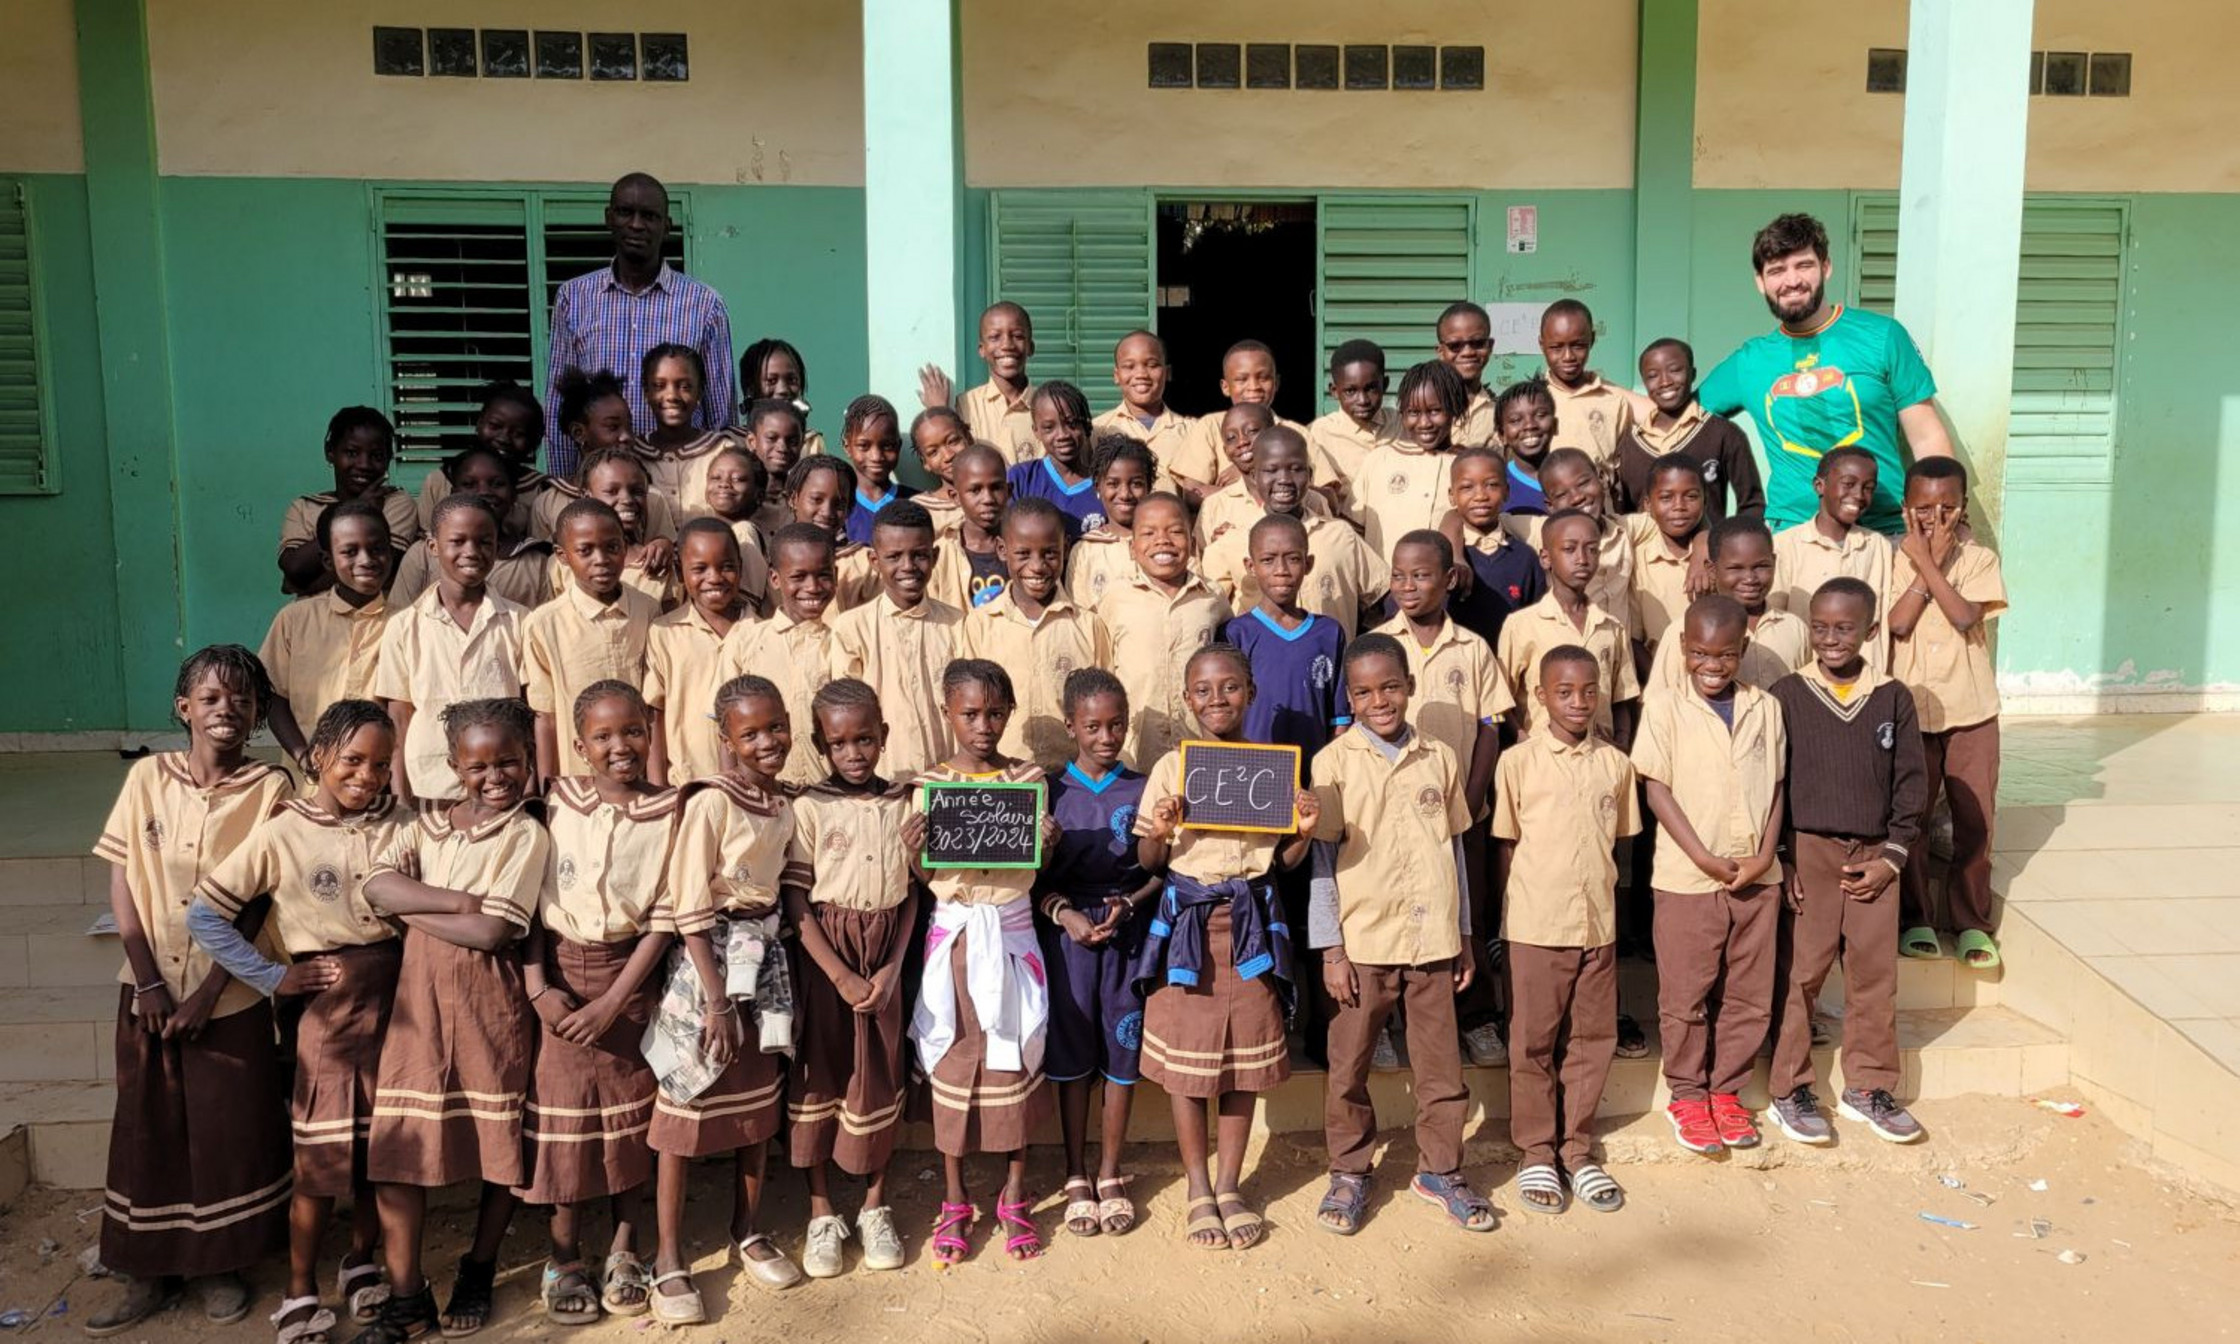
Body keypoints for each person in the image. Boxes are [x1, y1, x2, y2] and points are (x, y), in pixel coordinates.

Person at [85, 647, 294, 1338]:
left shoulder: (272, 788)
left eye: (241, 699)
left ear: (258, 712)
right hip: (147, 990)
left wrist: (211, 990)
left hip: (228, 996)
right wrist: (148, 979)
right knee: (150, 1128)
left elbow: (263, 901)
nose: (225, 709)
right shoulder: (148, 777)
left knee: (226, 1130)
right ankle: (147, 1270)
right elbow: (122, 879)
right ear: (184, 708)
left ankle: (219, 1266)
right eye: (210, 698)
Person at [186, 700, 406, 1344]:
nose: (367, 777)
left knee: (379, 1153)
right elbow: (205, 916)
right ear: (317, 759)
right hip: (327, 1017)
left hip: (398, 1006)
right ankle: (300, 1289)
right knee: (321, 1161)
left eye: (381, 765)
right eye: (353, 761)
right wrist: (272, 975)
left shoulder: (401, 823)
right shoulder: (283, 832)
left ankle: (362, 1261)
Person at [357, 697, 547, 1343]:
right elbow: (376, 886)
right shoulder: (425, 826)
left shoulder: (526, 835)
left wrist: (414, 911)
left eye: (510, 764)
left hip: (488, 1008)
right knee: (396, 1154)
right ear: (453, 767)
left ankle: (479, 1267)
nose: (495, 777)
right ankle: (408, 1295)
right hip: (418, 1012)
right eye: (479, 765)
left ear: (530, 763)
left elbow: (493, 930)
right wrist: (452, 900)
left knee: (498, 1150)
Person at [1133, 645, 1315, 1251]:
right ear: (1187, 700)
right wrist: (1160, 831)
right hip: (1191, 923)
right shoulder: (1171, 769)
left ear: (1251, 692)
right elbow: (1149, 861)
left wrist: (1304, 833)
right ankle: (1197, 1188)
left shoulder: (1274, 767)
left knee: (1241, 1062)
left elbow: (1282, 862)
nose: (1218, 700)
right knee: (1189, 1066)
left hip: (1252, 925)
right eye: (1204, 691)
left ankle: (1231, 1184)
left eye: (1230, 688)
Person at [1308, 634, 1489, 1237]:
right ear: (1350, 699)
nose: (1379, 700)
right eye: (1364, 691)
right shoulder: (1331, 762)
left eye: (1390, 686)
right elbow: (1322, 861)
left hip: (1433, 938)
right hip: (1363, 942)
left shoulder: (1439, 756)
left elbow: (1455, 850)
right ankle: (1351, 1170)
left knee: (1441, 1069)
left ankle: (1441, 1169)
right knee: (1349, 1066)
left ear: (1410, 686)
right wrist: (1331, 947)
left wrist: (1463, 934)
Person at [645, 677, 806, 1309]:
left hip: (761, 960)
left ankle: (748, 1227)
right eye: (750, 734)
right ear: (726, 741)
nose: (766, 743)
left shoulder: (783, 805)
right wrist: (714, 999)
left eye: (775, 728)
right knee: (684, 1107)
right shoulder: (711, 803)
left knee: (754, 1105)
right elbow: (687, 908)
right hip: (706, 965)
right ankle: (668, 1255)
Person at [519, 683, 674, 1326]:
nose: (621, 747)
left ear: (650, 734)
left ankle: (624, 1248)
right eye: (603, 737)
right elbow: (523, 897)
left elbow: (665, 918)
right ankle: (564, 1255)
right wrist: (536, 987)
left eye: (633, 732)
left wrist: (615, 1000)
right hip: (557, 973)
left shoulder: (670, 811)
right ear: (578, 746)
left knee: (630, 1119)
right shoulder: (553, 804)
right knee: (565, 1123)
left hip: (628, 979)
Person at [1765, 578, 1930, 1146]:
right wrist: (1783, 857)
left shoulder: (1892, 697)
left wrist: (1893, 856)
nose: (1831, 639)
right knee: (1801, 972)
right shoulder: (1788, 693)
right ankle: (1788, 1087)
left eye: (1845, 628)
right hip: (1809, 850)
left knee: (1874, 975)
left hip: (1875, 858)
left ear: (1871, 630)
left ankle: (1869, 1086)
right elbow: (1775, 783)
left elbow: (1912, 785)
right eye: (1820, 627)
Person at [906, 660, 1060, 1265]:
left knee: (1015, 1055)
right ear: (948, 713)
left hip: (1013, 939)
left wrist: (1047, 843)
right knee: (953, 1059)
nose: (983, 725)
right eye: (969, 714)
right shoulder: (930, 785)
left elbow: (1034, 867)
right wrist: (914, 854)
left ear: (1010, 712)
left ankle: (1015, 1196)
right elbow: (927, 878)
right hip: (957, 943)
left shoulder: (1027, 781)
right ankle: (954, 1198)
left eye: (994, 713)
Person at [1631, 596, 1787, 1155]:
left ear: (1743, 650)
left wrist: (1766, 856)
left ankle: (1727, 1092)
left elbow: (1775, 788)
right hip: (1687, 879)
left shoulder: (1765, 708)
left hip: (1756, 878)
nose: (1713, 665)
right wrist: (1701, 857)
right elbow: (1656, 788)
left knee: (1748, 994)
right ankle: (1688, 1094)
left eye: (1725, 654)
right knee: (1686, 994)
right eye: (1700, 653)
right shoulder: (1666, 709)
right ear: (1682, 650)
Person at [1494, 646, 1641, 1216]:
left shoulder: (1616, 765)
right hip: (1536, 924)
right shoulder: (1519, 763)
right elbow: (1506, 846)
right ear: (1541, 696)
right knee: (1532, 1042)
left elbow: (1617, 846)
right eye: (1564, 692)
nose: (1577, 702)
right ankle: (1536, 1149)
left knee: (1591, 1040)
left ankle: (1578, 1150)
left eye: (1588, 691)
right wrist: (1509, 921)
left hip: (1596, 926)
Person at [1696, 212, 1953, 535]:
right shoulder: (1750, 361)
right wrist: (1612, 391)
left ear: (1826, 267)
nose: (1791, 281)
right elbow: (1679, 417)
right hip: (1793, 533)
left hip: (1885, 529)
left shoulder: (1882, 336)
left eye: (1803, 265)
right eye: (1776, 270)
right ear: (1760, 282)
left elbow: (1927, 437)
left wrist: (1942, 522)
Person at [780, 678, 916, 1280]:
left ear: (883, 737)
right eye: (839, 743)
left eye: (865, 739)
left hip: (884, 953)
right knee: (823, 1074)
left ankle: (873, 1205)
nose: (854, 753)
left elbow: (913, 897)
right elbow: (797, 903)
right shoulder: (808, 807)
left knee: (879, 1074)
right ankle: (820, 1211)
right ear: (820, 745)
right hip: (826, 958)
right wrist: (836, 975)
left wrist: (889, 970)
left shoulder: (904, 805)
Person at [1371, 530, 1510, 1065]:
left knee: (1463, 912)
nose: (1408, 586)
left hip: (1461, 813)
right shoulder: (1380, 645)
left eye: (1422, 575)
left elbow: (1491, 728)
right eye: (1399, 576)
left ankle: (1475, 1017)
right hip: (1394, 815)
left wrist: (1469, 800)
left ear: (1449, 579)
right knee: (1396, 910)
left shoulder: (1473, 648)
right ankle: (1392, 1019)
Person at [1038, 669, 1157, 1240]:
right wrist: (1066, 912)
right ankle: (1075, 1172)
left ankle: (1110, 1173)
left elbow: (1164, 869)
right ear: (1070, 727)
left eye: (1116, 725)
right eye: (1093, 726)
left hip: (1126, 933)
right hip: (1067, 940)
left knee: (1121, 1052)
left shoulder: (1143, 787)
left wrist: (1129, 906)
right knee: (1072, 1056)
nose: (1106, 737)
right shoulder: (1049, 791)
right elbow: (1028, 883)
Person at [1888, 457, 2007, 968]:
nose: (1935, 518)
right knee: (1910, 818)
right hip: (1912, 707)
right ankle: (1915, 916)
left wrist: (1931, 562)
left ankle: (1971, 922)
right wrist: (1918, 564)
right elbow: (1896, 624)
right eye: (1923, 508)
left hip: (1971, 709)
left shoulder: (1979, 558)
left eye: (1948, 507)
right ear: (1905, 508)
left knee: (1973, 820)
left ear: (1962, 508)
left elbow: (1963, 615)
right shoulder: (1889, 558)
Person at [546, 174, 733, 479]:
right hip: (600, 482)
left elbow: (720, 413)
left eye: (649, 216)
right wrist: (566, 486)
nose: (636, 224)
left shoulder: (704, 304)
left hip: (682, 481)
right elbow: (560, 406)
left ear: (667, 226)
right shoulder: (574, 298)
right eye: (625, 212)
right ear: (609, 218)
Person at [373, 494, 529, 806]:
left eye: (484, 541)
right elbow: (400, 717)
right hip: (429, 784)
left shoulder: (520, 621)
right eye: (457, 541)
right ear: (432, 546)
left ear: (497, 546)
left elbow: (530, 712)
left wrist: (530, 789)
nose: (471, 551)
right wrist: (401, 797)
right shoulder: (404, 627)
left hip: (500, 786)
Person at [955, 498, 1113, 771]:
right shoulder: (979, 625)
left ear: (1065, 549)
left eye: (1050, 554)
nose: (1038, 566)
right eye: (1023, 554)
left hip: (1072, 777)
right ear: (1002, 550)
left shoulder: (1088, 624)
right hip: (1004, 777)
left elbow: (1104, 703)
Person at [1199, 426, 1387, 640]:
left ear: (1310, 475)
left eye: (1296, 469)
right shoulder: (1229, 543)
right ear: (1254, 475)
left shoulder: (1341, 536)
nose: (1284, 479)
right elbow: (1209, 615)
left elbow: (1383, 599)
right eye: (1271, 470)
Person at [524, 499, 660, 780]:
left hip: (640, 771)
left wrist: (658, 782)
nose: (601, 560)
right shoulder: (544, 624)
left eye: (612, 547)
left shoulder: (647, 609)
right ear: (562, 556)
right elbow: (545, 714)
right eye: (585, 551)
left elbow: (655, 705)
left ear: (624, 546)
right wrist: (549, 786)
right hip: (578, 776)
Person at [830, 500, 962, 779]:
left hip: (950, 780)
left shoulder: (959, 624)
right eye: (894, 557)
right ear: (875, 561)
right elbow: (847, 714)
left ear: (935, 556)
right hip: (883, 780)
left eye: (919, 555)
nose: (908, 566)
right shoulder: (852, 628)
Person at [262, 501, 396, 776]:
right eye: (349, 551)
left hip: (379, 780)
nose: (366, 560)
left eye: (377, 549)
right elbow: (273, 697)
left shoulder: (409, 623)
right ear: (328, 561)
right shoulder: (294, 620)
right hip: (307, 782)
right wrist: (302, 755)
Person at [1098, 493, 1231, 768]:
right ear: (1132, 547)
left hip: (1199, 746)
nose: (1163, 541)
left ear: (1193, 543)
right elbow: (1102, 668)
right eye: (1149, 533)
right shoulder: (1115, 599)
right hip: (1134, 750)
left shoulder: (1212, 598)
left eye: (1175, 532)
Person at [1497, 510, 1640, 746]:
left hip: (1600, 757)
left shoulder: (1611, 627)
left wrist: (1622, 741)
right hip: (1541, 759)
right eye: (1569, 549)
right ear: (1545, 558)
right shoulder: (1522, 625)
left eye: (1592, 549)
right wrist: (1523, 742)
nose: (1582, 559)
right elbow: (1501, 699)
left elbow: (1623, 697)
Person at [720, 523, 840, 786]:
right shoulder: (744, 639)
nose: (813, 587)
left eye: (823, 575)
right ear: (775, 579)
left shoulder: (842, 642)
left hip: (826, 792)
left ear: (836, 575)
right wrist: (734, 789)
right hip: (762, 792)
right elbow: (723, 723)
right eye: (798, 577)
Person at [1224, 514, 1347, 759]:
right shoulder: (1235, 633)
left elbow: (1340, 720)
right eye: (1268, 560)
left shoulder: (1329, 633)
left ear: (1308, 563)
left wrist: (1327, 774)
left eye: (1292, 559)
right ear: (1251, 566)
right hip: (1251, 774)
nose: (1281, 571)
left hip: (1314, 774)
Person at [1645, 516, 1811, 695]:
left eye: (1761, 566)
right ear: (1712, 570)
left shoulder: (1794, 627)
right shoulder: (1685, 629)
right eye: (1735, 569)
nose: (1750, 579)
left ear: (1774, 562)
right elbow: (1658, 703)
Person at [646, 519, 756, 786]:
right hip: (686, 785)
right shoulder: (664, 632)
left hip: (753, 788)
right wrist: (657, 788)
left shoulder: (762, 633)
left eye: (727, 567)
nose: (715, 578)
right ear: (679, 571)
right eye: (699, 568)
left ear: (741, 568)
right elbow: (654, 716)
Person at [1613, 339, 1764, 523]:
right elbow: (1624, 514)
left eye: (1675, 370)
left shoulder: (1723, 434)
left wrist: (1731, 545)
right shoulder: (1629, 444)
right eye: (1653, 376)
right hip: (1646, 552)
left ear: (1692, 374)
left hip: (1706, 550)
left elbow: (1751, 504)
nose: (1665, 382)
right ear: (1644, 382)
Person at [1771, 446, 1892, 673]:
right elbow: (1775, 623)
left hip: (1861, 683)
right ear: (1820, 486)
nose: (1858, 495)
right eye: (1848, 484)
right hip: (1802, 678)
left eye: (1868, 488)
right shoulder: (1785, 545)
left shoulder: (1877, 546)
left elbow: (1880, 623)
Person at [279, 407, 420, 598]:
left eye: (376, 456)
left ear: (388, 460)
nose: (364, 464)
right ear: (330, 452)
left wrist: (306, 586)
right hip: (314, 622)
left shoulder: (397, 503)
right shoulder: (305, 507)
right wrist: (361, 506)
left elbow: (380, 570)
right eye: (352, 453)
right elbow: (295, 568)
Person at [392, 447, 555, 610]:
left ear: (513, 495)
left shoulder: (537, 561)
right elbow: (399, 618)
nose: (484, 491)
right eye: (469, 484)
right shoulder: (423, 554)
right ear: (454, 493)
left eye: (497, 484)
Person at [1169, 341, 1310, 501]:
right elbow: (1192, 493)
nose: (1254, 386)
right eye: (1242, 380)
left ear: (1276, 382)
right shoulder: (1210, 426)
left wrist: (1252, 475)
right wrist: (1247, 485)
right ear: (1225, 387)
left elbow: (1327, 495)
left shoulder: (1297, 433)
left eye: (1263, 378)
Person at [1358, 361, 1469, 560]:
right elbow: (1355, 530)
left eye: (1435, 411)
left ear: (1455, 409)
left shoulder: (1468, 465)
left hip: (1444, 588)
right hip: (1384, 586)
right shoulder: (1378, 461)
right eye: (1414, 413)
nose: (1424, 423)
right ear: (1402, 414)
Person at [543, 448, 680, 611]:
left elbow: (668, 625)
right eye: (612, 491)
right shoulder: (562, 564)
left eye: (637, 491)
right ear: (587, 496)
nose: (627, 499)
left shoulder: (658, 562)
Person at [413, 380, 550, 538]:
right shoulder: (440, 480)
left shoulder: (541, 489)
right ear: (479, 424)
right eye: (495, 426)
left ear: (532, 441)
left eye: (518, 434)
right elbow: (427, 539)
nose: (504, 438)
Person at [1445, 447, 1547, 653]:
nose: (1480, 495)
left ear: (1507, 492)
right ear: (1451, 496)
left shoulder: (1525, 557)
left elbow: (1538, 623)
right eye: (1467, 487)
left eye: (1491, 485)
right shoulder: (1442, 558)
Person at [917, 301, 1042, 465]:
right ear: (981, 349)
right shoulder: (964, 406)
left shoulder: (1046, 406)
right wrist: (939, 411)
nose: (1007, 345)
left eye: (1017, 336)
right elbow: (950, 462)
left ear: (1030, 347)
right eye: (995, 337)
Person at [1537, 299, 1649, 472]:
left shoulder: (1613, 400)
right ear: (1542, 345)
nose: (1568, 356)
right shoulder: (1531, 399)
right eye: (1556, 347)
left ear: (1592, 340)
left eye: (1578, 346)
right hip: (1543, 497)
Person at [632, 343, 742, 516]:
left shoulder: (723, 451)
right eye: (660, 386)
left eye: (684, 387)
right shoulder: (632, 455)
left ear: (699, 392)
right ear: (646, 392)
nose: (672, 396)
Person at [1626, 456, 1713, 664]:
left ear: (1705, 500)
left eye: (1691, 497)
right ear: (1648, 504)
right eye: (1666, 498)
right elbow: (1634, 639)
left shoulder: (1718, 555)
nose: (1679, 506)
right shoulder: (1637, 560)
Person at [1091, 331, 1196, 495]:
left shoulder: (1191, 431)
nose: (1141, 374)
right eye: (1129, 366)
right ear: (1116, 375)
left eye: (1152, 365)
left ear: (1167, 373)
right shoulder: (1098, 430)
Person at [1308, 338, 1399, 519]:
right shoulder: (1319, 434)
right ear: (1334, 391)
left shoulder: (1401, 424)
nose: (1363, 400)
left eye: (1371, 389)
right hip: (1351, 532)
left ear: (1385, 385)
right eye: (1351, 391)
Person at [1067, 436, 1159, 613]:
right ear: (1097, 487)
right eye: (1113, 484)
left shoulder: (1165, 542)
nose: (1124, 494)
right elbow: (1080, 618)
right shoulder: (1084, 551)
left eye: (1136, 484)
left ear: (1150, 486)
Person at [781, 453, 880, 612]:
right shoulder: (777, 556)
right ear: (793, 499)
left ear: (850, 508)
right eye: (816, 500)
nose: (827, 512)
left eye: (839, 504)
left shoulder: (865, 563)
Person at [1009, 381, 1108, 539]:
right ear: (1036, 431)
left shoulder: (1105, 485)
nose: (1062, 435)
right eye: (1049, 427)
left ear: (1087, 426)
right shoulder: (1021, 478)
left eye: (1072, 424)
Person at [927, 443, 1012, 612]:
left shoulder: (1025, 545)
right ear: (955, 497)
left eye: (996, 488)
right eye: (975, 490)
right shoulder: (941, 555)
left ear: (1009, 491)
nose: (987, 499)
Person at [690, 444, 775, 610]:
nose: (725, 484)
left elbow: (744, 607)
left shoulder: (744, 533)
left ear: (758, 494)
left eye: (737, 479)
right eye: (716, 478)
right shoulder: (703, 535)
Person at [839, 396, 917, 545]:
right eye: (864, 446)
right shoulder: (838, 506)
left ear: (898, 446)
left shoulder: (916, 502)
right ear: (847, 447)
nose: (876, 456)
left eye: (887, 446)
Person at [737, 338, 829, 461]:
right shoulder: (731, 442)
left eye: (792, 380)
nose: (783, 390)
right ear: (750, 389)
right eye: (771, 381)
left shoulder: (811, 444)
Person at [1433, 302, 1501, 450]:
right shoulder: (1421, 410)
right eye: (1455, 345)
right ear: (1441, 352)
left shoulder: (1501, 412)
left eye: (1477, 343)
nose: (1468, 352)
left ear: (1490, 346)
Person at [740, 397, 809, 537]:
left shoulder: (805, 499)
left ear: (802, 444)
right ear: (752, 442)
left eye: (792, 441)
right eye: (772, 438)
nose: (782, 448)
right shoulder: (739, 497)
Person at [1496, 376, 1560, 515]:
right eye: (1515, 420)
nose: (1530, 425)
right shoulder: (1497, 485)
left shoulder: (1573, 476)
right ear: (1502, 435)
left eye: (1540, 415)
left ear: (1555, 425)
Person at [909, 406, 974, 541]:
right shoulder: (920, 510)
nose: (948, 456)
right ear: (925, 463)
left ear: (968, 438)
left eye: (952, 441)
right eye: (933, 452)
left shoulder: (992, 495)